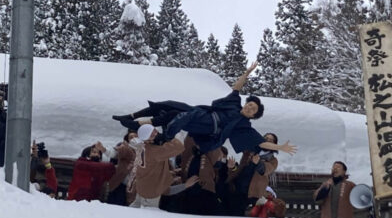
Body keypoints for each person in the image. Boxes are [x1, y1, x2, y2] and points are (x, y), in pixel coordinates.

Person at [113, 62, 297, 157]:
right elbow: (237, 87)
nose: (249, 107)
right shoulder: (234, 103)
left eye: (253, 109)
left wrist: (280, 147)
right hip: (201, 113)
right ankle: (133, 118)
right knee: (168, 107)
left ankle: (164, 137)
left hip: (207, 126)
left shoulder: (243, 125)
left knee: (179, 118)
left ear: (254, 115)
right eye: (249, 104)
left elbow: (260, 142)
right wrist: (247, 73)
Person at [131, 124, 185, 208]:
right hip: (151, 189)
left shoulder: (140, 146)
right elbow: (179, 147)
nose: (157, 134)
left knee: (136, 206)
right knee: (149, 213)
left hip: (142, 184)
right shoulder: (154, 151)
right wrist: (175, 132)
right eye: (153, 134)